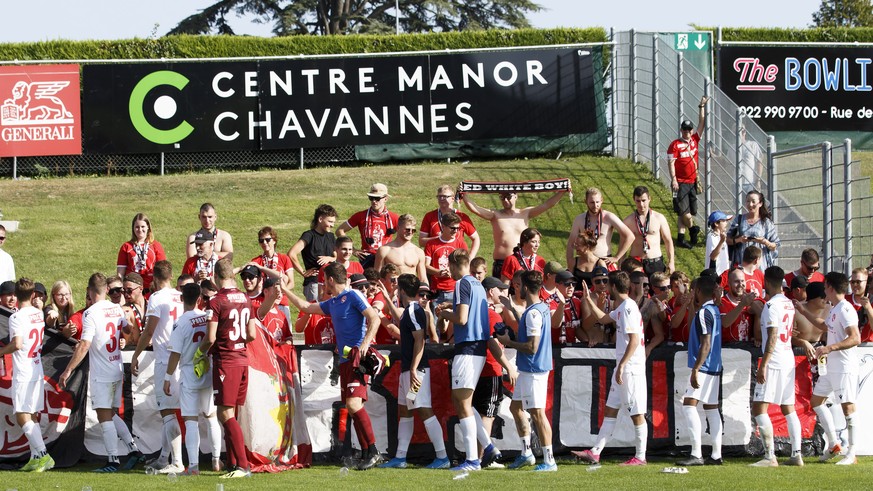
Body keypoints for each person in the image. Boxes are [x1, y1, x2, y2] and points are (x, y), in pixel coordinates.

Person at [284, 262, 382, 470]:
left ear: (330, 279)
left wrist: (364, 344)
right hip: (345, 361)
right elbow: (305, 308)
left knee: (354, 405)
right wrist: (284, 290)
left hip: (357, 358)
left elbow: (374, 319)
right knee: (353, 407)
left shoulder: (354, 295)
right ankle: (365, 453)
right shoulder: (334, 301)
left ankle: (373, 450)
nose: (322, 285)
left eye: (323, 280)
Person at [59, 273, 139, 473]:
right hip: (117, 367)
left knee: (104, 416)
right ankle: (133, 449)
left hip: (102, 371)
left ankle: (112, 460)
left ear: (89, 290)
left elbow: (85, 343)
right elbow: (129, 332)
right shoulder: (116, 309)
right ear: (105, 290)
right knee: (111, 413)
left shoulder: (90, 313)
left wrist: (68, 369)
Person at [435, 249, 502, 471]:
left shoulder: (462, 284)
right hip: (479, 348)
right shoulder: (477, 285)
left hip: (467, 348)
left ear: (455, 264)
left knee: (462, 404)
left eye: (449, 267)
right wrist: (450, 308)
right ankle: (488, 446)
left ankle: (473, 459)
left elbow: (462, 319)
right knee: (464, 402)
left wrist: (443, 314)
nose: (448, 272)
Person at [573, 271, 648, 466]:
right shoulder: (623, 307)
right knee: (610, 409)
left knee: (636, 412)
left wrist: (622, 364)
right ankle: (596, 452)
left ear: (614, 287)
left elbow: (634, 340)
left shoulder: (629, 308)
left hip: (630, 367)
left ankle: (640, 456)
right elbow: (605, 319)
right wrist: (589, 300)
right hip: (622, 367)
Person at [378, 274, 450, 469]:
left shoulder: (414, 310)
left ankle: (442, 457)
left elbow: (420, 340)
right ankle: (400, 457)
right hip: (409, 369)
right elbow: (404, 321)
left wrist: (413, 369)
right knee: (405, 410)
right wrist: (386, 299)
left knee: (424, 410)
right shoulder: (412, 310)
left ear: (401, 291)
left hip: (415, 370)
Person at [197, 258, 258, 479]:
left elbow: (210, 337)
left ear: (215, 276)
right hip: (242, 359)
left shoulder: (216, 301)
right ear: (232, 274)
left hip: (226, 361)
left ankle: (242, 466)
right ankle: (233, 463)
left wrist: (199, 353)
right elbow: (251, 334)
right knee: (231, 413)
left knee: (224, 413)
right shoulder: (245, 298)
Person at [796, 272, 861, 466]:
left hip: (843, 366)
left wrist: (828, 348)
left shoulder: (846, 309)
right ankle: (833, 443)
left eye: (825, 287)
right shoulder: (835, 308)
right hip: (831, 366)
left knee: (848, 407)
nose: (824, 291)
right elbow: (825, 326)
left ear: (831, 288)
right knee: (816, 401)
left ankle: (852, 452)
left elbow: (855, 337)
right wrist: (803, 310)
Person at [497, 270, 557, 471]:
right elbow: (526, 321)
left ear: (525, 286)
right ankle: (526, 453)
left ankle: (549, 461)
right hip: (528, 369)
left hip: (534, 370)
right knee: (516, 408)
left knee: (538, 414)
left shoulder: (533, 313)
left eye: (518, 285)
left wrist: (508, 342)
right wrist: (511, 308)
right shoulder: (540, 308)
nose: (517, 288)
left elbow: (532, 347)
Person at [163, 282, 224, 475]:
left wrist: (167, 377)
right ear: (200, 298)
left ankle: (194, 466)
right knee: (211, 417)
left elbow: (175, 354)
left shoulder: (180, 323)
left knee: (191, 420)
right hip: (206, 369)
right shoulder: (207, 317)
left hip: (189, 372)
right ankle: (216, 460)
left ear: (182, 299)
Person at [131, 261, 184, 474]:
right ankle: (163, 458)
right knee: (172, 411)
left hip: (165, 360)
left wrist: (136, 355)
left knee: (167, 412)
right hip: (182, 359)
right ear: (171, 276)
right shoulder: (180, 296)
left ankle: (177, 462)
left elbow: (149, 331)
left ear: (153, 277)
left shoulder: (156, 298)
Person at [749, 266, 803, 467]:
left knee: (759, 407)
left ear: (766, 281)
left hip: (775, 360)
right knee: (788, 407)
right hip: (787, 357)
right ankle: (796, 454)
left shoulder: (771, 306)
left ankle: (769, 456)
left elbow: (772, 336)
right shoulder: (789, 303)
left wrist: (765, 363)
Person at [0, 278, 53, 472]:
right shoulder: (37, 314)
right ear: (33, 295)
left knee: (22, 415)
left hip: (23, 370)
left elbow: (17, 344)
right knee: (32, 414)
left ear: (15, 294)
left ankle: (43, 455)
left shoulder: (16, 317)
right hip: (36, 368)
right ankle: (35, 457)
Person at [676, 275, 724, 466]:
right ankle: (716, 455)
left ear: (696, 292)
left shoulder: (704, 312)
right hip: (714, 366)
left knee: (689, 405)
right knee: (711, 408)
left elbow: (706, 343)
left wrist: (696, 368)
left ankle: (696, 454)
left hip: (704, 366)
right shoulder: (715, 310)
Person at [462, 189, 563, 277]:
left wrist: (562, 191)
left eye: (508, 196)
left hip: (522, 262)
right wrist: (464, 194)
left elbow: (547, 205)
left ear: (516, 196)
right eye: (502, 197)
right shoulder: (495, 215)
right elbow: (475, 208)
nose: (505, 200)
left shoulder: (525, 213)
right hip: (502, 263)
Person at [667, 95, 709, 249]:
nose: (687, 132)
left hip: (692, 181)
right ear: (681, 130)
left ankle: (681, 237)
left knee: (687, 211)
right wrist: (673, 179)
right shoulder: (675, 145)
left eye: (689, 129)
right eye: (684, 129)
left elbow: (702, 123)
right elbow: (671, 162)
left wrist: (701, 107)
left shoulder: (694, 140)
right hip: (680, 182)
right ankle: (693, 229)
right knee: (684, 212)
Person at [336, 183, 399, 269]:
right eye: (371, 198)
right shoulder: (361, 216)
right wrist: (353, 249)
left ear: (385, 199)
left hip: (386, 256)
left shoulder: (394, 217)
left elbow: (404, 236)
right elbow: (340, 230)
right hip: (367, 258)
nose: (374, 201)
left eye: (377, 198)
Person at [566, 187, 633, 268]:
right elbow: (571, 243)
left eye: (597, 202)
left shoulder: (609, 217)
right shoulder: (579, 219)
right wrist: (570, 263)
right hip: (584, 263)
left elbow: (630, 236)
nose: (595, 205)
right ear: (585, 201)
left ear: (602, 200)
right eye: (592, 202)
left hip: (604, 261)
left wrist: (617, 257)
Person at [288, 204, 338, 302]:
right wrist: (303, 273)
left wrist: (330, 258)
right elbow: (291, 253)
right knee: (315, 314)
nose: (332, 225)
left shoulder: (331, 236)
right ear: (320, 219)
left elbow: (336, 255)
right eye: (330, 222)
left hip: (330, 282)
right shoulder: (309, 236)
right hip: (314, 283)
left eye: (333, 222)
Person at [623, 186, 675, 276]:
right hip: (635, 263)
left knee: (657, 289)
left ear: (649, 199)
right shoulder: (628, 221)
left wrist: (671, 262)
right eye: (638, 201)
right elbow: (623, 244)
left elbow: (668, 240)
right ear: (634, 200)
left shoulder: (659, 218)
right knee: (636, 290)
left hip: (655, 261)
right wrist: (621, 264)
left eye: (644, 200)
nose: (641, 204)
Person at [420, 184, 481, 258]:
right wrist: (441, 238)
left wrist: (470, 258)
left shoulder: (462, 217)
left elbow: (476, 239)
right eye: (439, 196)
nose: (441, 198)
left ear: (453, 198)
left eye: (445, 196)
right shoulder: (429, 216)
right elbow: (421, 242)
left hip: (457, 261)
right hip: (436, 261)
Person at [727, 191, 779, 270]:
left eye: (753, 201)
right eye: (748, 201)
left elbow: (775, 245)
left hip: (760, 265)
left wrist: (764, 241)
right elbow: (727, 240)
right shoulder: (739, 219)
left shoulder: (766, 222)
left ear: (760, 203)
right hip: (741, 263)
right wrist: (739, 240)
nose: (750, 204)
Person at [424, 211, 468, 306]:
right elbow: (425, 266)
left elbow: (465, 268)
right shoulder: (431, 244)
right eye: (452, 228)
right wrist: (439, 272)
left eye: (458, 228)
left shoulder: (461, 244)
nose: (456, 231)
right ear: (443, 226)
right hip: (437, 291)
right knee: (435, 320)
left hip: (455, 290)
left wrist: (452, 273)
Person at [117, 213, 167, 292]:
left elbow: (163, 270)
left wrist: (158, 286)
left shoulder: (156, 246)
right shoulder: (126, 246)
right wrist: (121, 289)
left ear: (148, 227)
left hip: (151, 288)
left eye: (142, 226)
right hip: (132, 289)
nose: (140, 230)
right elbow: (120, 273)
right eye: (137, 227)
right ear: (133, 228)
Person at [374, 214, 428, 283]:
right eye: (407, 229)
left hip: (410, 291)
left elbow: (423, 278)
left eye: (413, 230)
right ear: (398, 228)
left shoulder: (418, 252)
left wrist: (426, 292)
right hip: (391, 291)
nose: (410, 232)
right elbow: (377, 277)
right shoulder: (384, 250)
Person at [719, 269, 758, 345]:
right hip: (728, 350)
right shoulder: (722, 302)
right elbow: (725, 323)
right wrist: (742, 304)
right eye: (736, 281)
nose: (740, 284)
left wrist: (758, 337)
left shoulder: (750, 300)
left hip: (747, 350)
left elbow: (763, 315)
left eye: (742, 281)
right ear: (729, 283)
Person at [846, 268, 873, 342]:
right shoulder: (844, 300)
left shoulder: (871, 301)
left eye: (858, 282)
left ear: (867, 283)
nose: (855, 285)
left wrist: (869, 308)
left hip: (867, 347)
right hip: (847, 345)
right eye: (852, 282)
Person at [705, 211, 733, 276]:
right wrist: (721, 241)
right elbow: (713, 256)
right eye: (724, 221)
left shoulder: (720, 235)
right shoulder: (712, 236)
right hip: (715, 273)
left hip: (724, 273)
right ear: (716, 223)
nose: (727, 223)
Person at [738, 125, 764, 194]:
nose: (740, 134)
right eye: (736, 131)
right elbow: (727, 162)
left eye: (742, 131)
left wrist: (758, 180)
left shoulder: (753, 145)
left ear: (745, 132)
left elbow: (759, 162)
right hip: (736, 182)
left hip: (750, 182)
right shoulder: (732, 147)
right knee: (736, 204)